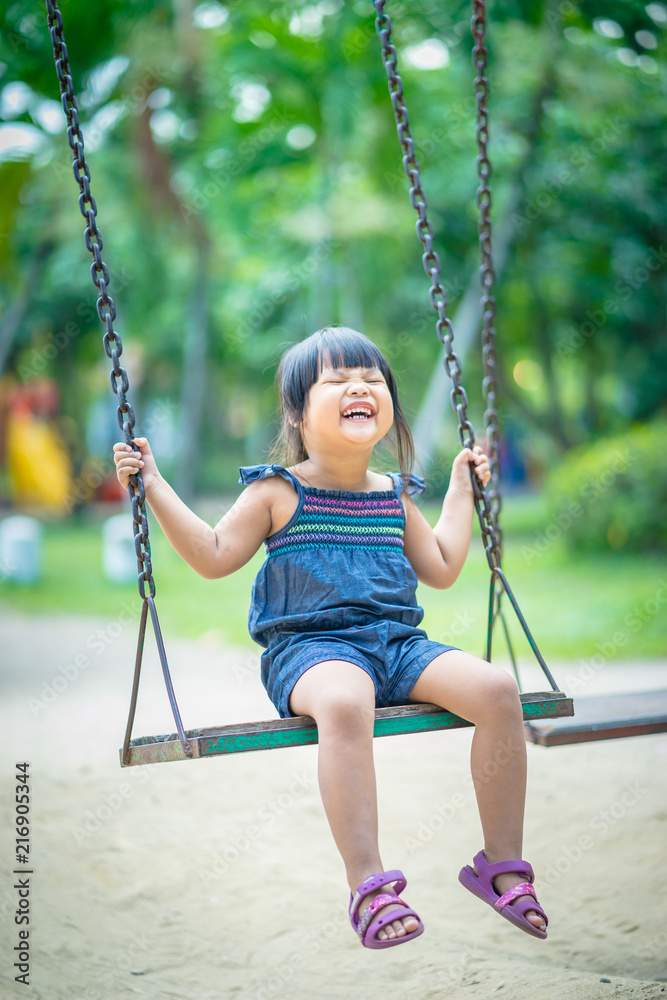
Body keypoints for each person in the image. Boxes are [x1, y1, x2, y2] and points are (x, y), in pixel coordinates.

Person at [113, 326, 548, 949]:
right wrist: (152, 484)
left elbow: (444, 566)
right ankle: (368, 883)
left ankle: (501, 865)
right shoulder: (277, 491)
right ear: (297, 413)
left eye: (372, 379)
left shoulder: (394, 496)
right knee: (346, 702)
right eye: (338, 380)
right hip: (312, 652)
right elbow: (212, 554)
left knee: (498, 689)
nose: (360, 388)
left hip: (398, 647)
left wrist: (461, 489)